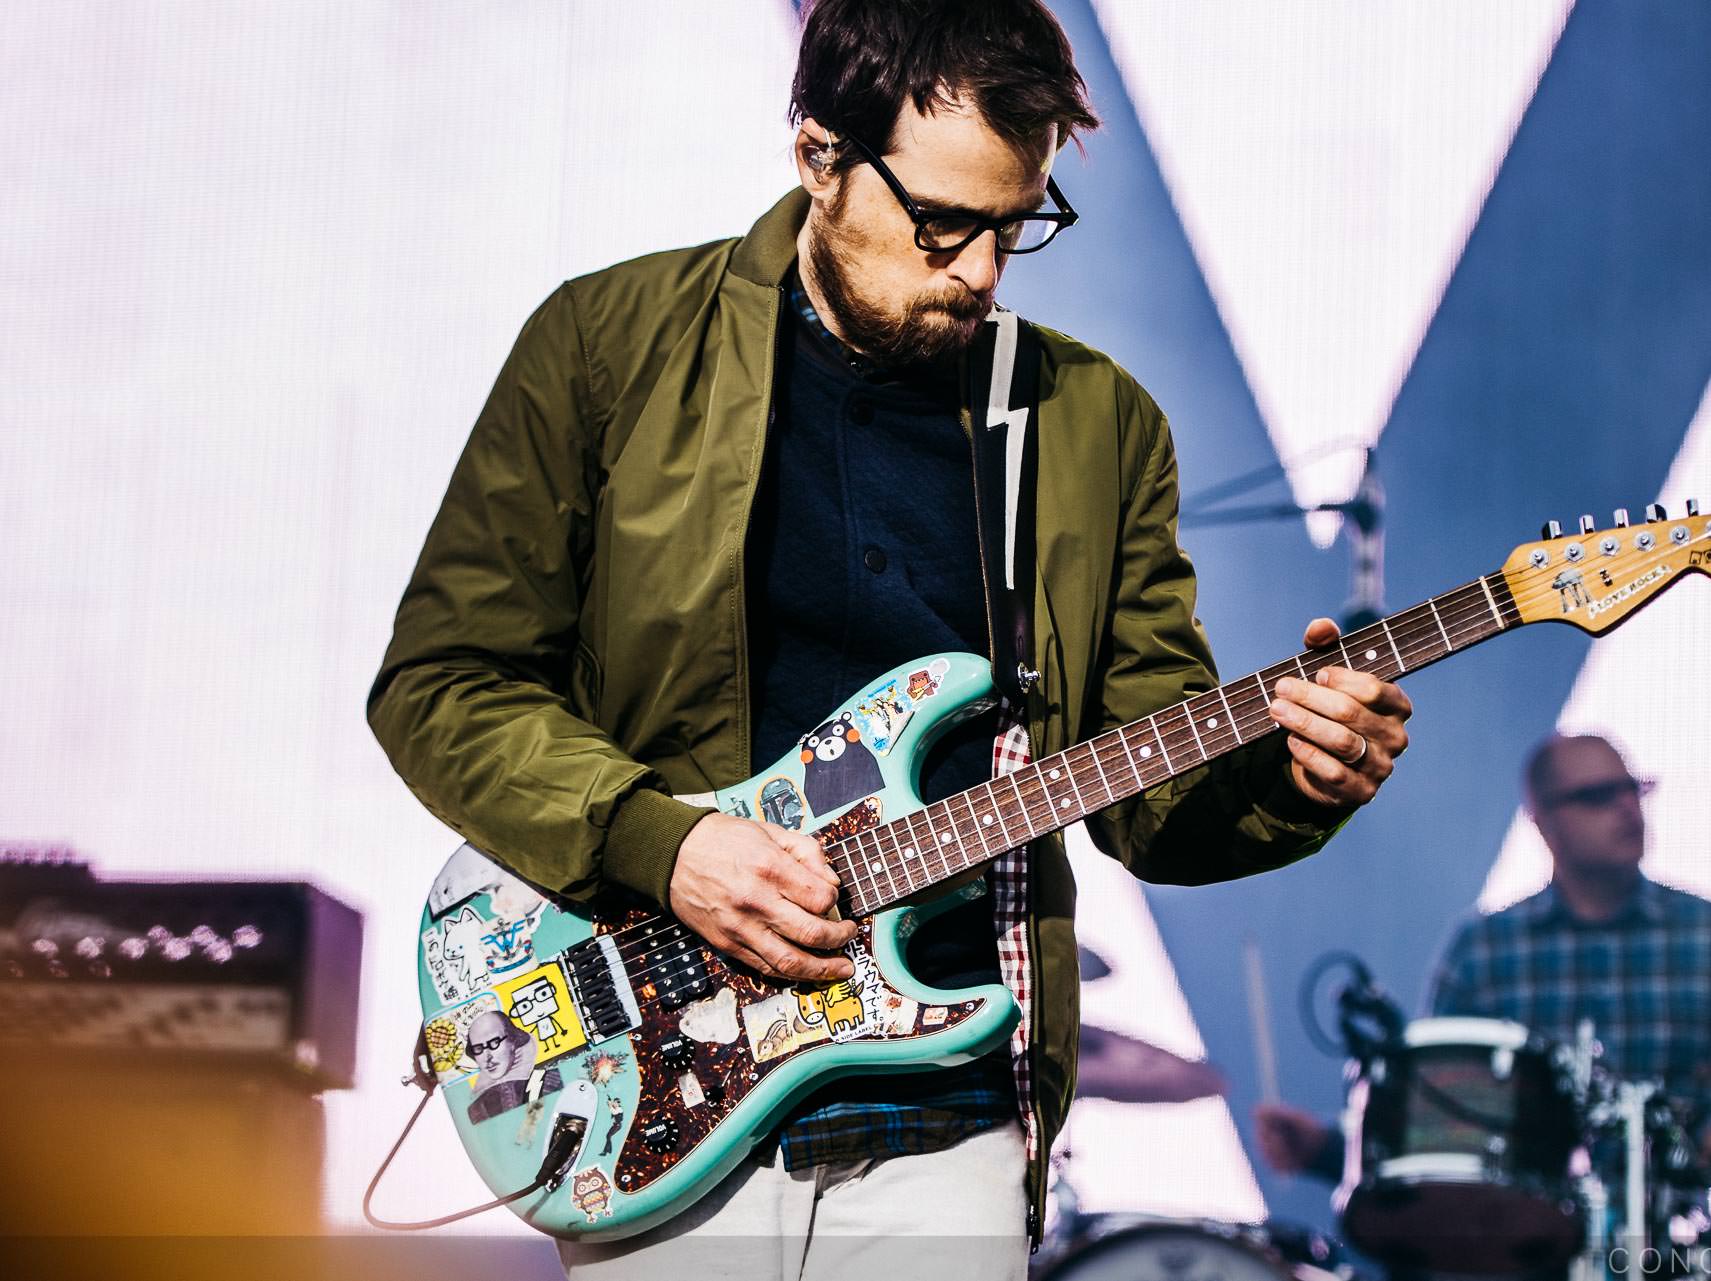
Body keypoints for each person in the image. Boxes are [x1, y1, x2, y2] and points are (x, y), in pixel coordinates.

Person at [368, 2, 1413, 1277]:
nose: (980, 270)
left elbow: (1154, 798)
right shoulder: (607, 346)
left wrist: (1290, 780)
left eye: (1016, 224)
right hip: (660, 1077)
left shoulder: (1092, 424)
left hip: (951, 1105)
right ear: (818, 156)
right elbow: (442, 682)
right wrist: (669, 844)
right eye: (942, 224)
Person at [1255, 733, 1711, 1211]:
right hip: (1518, 1241)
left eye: (1633, 789)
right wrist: (1325, 1148)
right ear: (1543, 821)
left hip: (1668, 1236)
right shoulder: (1485, 948)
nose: (1627, 809)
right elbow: (1439, 1112)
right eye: (1599, 796)